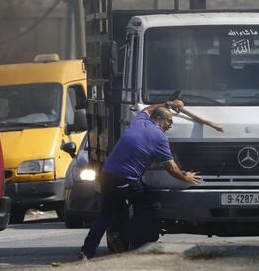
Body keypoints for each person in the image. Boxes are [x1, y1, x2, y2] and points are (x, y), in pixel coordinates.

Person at [79, 99, 202, 260]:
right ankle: (122, 237)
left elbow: (150, 108)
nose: (170, 126)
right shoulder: (160, 138)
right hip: (127, 180)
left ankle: (87, 251)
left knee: (105, 215)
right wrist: (186, 177)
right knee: (150, 206)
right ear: (159, 120)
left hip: (107, 175)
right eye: (169, 121)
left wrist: (169, 104)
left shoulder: (139, 120)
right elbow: (171, 168)